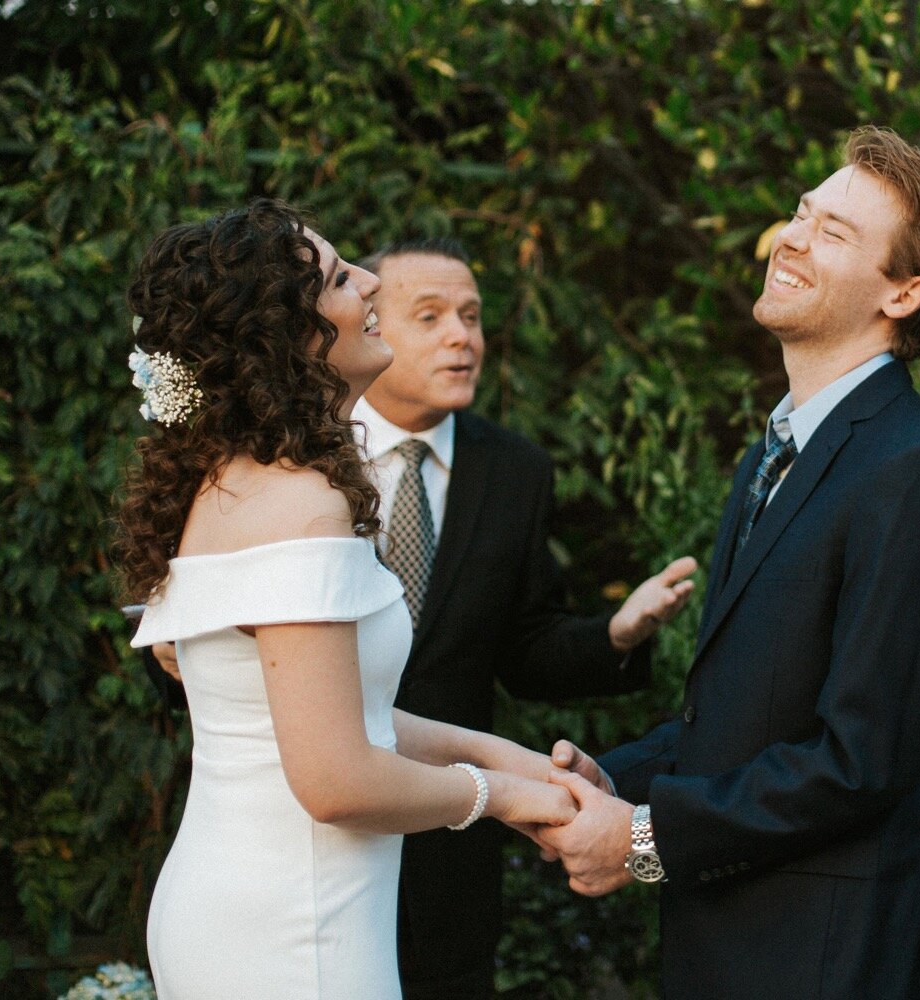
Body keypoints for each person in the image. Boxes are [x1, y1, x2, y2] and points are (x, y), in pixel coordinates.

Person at [141, 235, 697, 998]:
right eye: (339, 277)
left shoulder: (241, 481)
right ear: (291, 334)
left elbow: (342, 713)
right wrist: (502, 796)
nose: (367, 281)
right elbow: (336, 779)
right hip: (296, 927)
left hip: (264, 902)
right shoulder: (305, 504)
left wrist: (520, 763)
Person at [537, 126, 920, 1000]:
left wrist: (642, 838)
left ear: (903, 293)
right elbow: (755, 717)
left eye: (834, 232)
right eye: (802, 212)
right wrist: (620, 777)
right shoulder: (773, 457)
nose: (791, 237)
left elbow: (861, 761)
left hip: (830, 962)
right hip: (734, 946)